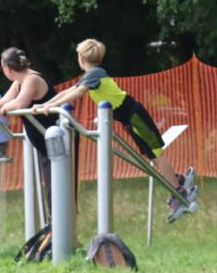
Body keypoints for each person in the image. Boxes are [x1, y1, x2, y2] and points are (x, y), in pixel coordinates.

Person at [38, 38, 194, 217]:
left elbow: (77, 93)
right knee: (152, 155)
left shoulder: (95, 73)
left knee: (156, 155)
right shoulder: (92, 75)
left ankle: (178, 191)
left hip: (135, 116)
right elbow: (68, 91)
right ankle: (177, 180)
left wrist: (47, 107)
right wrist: (46, 104)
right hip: (130, 119)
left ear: (81, 58)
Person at [0, 47, 57, 206]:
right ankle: (54, 226)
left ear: (8, 68)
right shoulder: (18, 82)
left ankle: (60, 227)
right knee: (50, 186)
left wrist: (4, 109)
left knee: (57, 186)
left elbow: (19, 103)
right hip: (45, 143)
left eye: (2, 67)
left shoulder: (31, 79)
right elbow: (4, 101)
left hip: (57, 142)